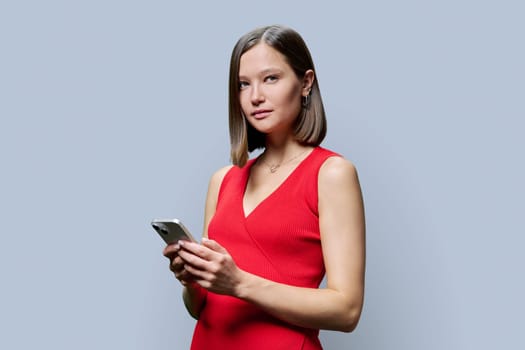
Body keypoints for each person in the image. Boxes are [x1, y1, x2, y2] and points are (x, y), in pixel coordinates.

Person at [163, 24, 366, 349]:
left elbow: (347, 310)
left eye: (270, 78)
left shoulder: (331, 174)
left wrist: (239, 283)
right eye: (243, 84)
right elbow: (199, 308)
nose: (255, 96)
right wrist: (192, 280)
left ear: (306, 83)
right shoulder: (223, 180)